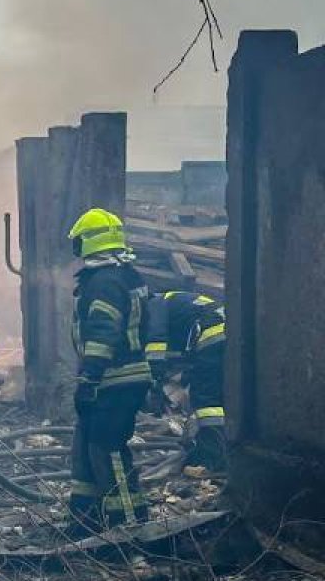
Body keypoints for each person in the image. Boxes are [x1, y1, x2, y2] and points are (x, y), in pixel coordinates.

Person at [66, 208, 152, 536]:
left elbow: (104, 332)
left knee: (108, 448)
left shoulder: (103, 282)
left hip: (115, 379)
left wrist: (89, 377)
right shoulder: (124, 275)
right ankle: (85, 518)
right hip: (116, 379)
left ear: (87, 242)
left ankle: (129, 524)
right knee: (87, 447)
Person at [144, 291, 227, 475]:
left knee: (207, 402)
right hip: (228, 335)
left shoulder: (153, 304)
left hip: (211, 336)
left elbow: (155, 344)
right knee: (222, 397)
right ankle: (225, 449)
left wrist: (154, 380)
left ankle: (211, 456)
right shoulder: (177, 301)